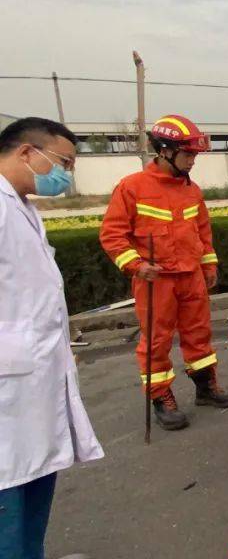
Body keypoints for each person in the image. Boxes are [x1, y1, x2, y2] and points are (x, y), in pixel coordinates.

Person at [0, 117, 103, 559]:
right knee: (9, 497)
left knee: (35, 482)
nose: (66, 173)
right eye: (63, 161)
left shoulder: (20, 205)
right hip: (10, 380)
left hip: (33, 375)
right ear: (27, 152)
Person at [99, 114, 228, 431]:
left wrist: (209, 264)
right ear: (164, 151)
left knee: (199, 334)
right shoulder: (132, 188)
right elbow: (112, 235)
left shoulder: (192, 190)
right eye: (187, 154)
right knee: (156, 342)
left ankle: (206, 387)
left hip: (190, 276)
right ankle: (162, 398)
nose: (192, 161)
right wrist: (137, 265)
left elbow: (203, 232)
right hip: (155, 280)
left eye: (194, 155)